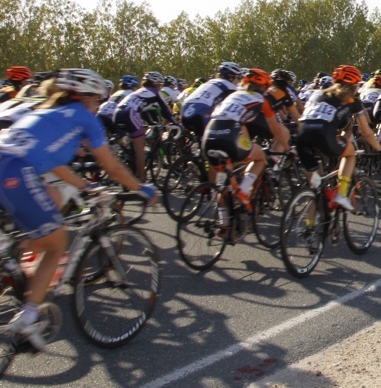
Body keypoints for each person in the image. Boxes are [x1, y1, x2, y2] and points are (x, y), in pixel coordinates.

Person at [0, 68, 156, 351]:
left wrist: (86, 187)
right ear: (85, 97)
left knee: (41, 218)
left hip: (8, 163)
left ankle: (13, 268)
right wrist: (140, 188)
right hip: (15, 171)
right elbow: (112, 167)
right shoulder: (85, 118)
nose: (99, 105)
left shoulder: (48, 111)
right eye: (97, 100)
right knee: (56, 243)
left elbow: (51, 163)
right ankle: (30, 317)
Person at [293, 65, 381, 211]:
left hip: (302, 136)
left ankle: (310, 227)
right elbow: (366, 132)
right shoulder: (352, 100)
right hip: (323, 136)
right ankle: (341, 194)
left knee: (314, 190)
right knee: (350, 153)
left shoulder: (318, 94)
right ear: (353, 86)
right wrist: (379, 150)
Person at [201, 67, 289, 211]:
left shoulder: (232, 95)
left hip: (208, 137)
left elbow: (236, 123)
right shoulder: (261, 99)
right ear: (264, 88)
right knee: (261, 157)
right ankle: (242, 190)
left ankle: (224, 223)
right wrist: (287, 148)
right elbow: (276, 129)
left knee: (224, 179)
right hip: (228, 137)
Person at [113, 71, 179, 179]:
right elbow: (166, 111)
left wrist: (151, 122)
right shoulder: (155, 92)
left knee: (130, 144)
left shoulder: (138, 91)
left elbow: (143, 109)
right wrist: (176, 123)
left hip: (117, 113)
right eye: (160, 85)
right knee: (140, 148)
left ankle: (127, 158)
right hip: (130, 113)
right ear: (157, 84)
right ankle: (142, 181)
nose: (160, 87)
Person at [180, 62, 242, 139]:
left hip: (185, 108)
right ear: (231, 77)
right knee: (217, 139)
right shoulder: (230, 87)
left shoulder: (209, 82)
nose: (239, 81)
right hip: (201, 112)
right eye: (238, 78)